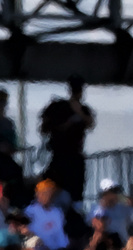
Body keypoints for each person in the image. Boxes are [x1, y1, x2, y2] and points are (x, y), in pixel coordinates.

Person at [39, 74, 95, 203]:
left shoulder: (83, 109)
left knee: (75, 194)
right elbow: (44, 128)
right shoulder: (57, 107)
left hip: (75, 156)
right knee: (53, 189)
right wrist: (63, 126)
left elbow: (90, 124)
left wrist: (79, 112)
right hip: (59, 155)